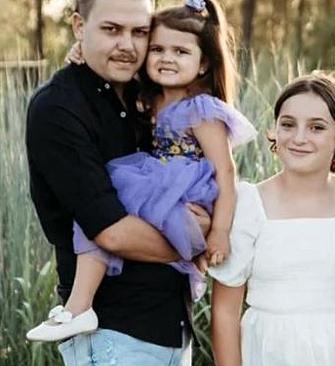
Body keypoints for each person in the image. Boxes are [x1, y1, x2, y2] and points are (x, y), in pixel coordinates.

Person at [26, 0, 256, 343]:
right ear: (79, 27)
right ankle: (78, 308)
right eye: (111, 29)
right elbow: (111, 233)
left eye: (140, 33)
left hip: (171, 324)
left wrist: (215, 229)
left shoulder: (153, 95)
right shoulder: (61, 108)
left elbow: (225, 171)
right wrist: (193, 240)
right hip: (116, 333)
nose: (128, 45)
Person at [209, 74, 335, 366]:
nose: (298, 138)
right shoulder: (249, 203)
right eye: (288, 124)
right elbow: (225, 312)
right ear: (274, 130)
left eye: (317, 127)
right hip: (269, 349)